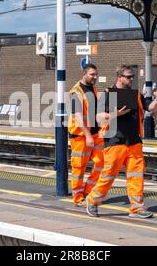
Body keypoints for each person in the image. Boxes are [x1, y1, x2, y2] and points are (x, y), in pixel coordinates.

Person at [86, 65, 157, 219]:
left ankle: (136, 207)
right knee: (108, 175)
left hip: (134, 141)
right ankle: (92, 200)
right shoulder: (108, 94)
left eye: (132, 76)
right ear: (119, 77)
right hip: (115, 141)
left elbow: (151, 108)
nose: (131, 79)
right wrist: (116, 114)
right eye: (128, 76)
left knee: (136, 175)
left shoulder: (136, 95)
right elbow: (99, 118)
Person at [68, 63, 104, 207]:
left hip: (95, 134)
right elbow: (77, 116)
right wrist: (88, 135)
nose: (95, 77)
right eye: (92, 74)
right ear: (84, 74)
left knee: (102, 163)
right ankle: (77, 197)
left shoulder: (93, 88)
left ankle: (88, 191)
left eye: (96, 74)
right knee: (79, 168)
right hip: (81, 136)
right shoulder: (75, 92)